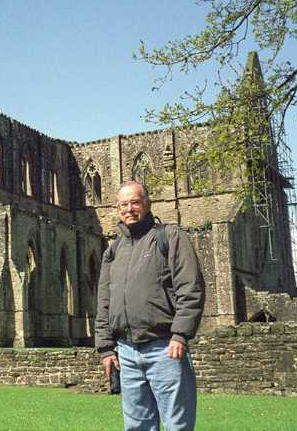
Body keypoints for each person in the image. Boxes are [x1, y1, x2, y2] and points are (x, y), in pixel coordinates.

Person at [95, 181, 205, 431]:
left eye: (135, 202)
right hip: (126, 352)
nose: (129, 209)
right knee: (137, 427)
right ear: (118, 208)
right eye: (124, 204)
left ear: (147, 204)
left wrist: (180, 333)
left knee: (177, 424)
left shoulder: (170, 237)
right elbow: (104, 301)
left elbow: (191, 287)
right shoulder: (113, 250)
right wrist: (105, 348)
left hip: (165, 347)